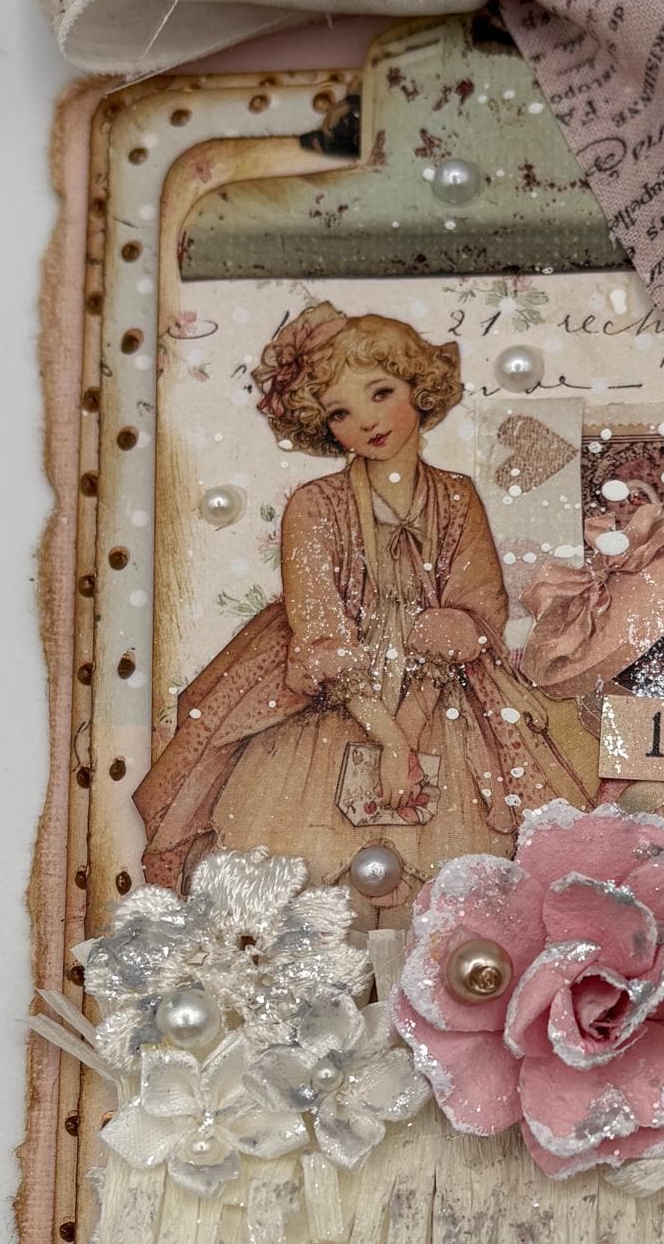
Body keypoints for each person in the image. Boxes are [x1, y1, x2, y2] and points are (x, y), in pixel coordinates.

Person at [134, 303, 594, 897]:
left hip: (442, 696)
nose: (368, 421)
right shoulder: (314, 506)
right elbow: (320, 630)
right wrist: (389, 739)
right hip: (333, 698)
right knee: (303, 863)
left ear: (417, 388)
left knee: (462, 867)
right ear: (323, 424)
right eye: (340, 412)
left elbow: (473, 613)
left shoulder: (457, 498)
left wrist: (410, 732)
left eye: (381, 393)